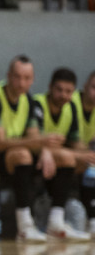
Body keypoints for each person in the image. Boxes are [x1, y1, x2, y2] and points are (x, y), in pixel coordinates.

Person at [0, 56, 63, 242]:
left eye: (27, 78)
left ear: (33, 80)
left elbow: (34, 137)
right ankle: (24, 225)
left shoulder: (29, 101)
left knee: (58, 159)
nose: (21, 83)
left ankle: (57, 221)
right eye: (17, 77)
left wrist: (46, 150)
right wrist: (42, 141)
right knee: (23, 155)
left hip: (5, 160)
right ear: (8, 76)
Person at [34, 68, 91, 240]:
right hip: (34, 155)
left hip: (55, 157)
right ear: (50, 87)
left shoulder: (71, 108)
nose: (63, 95)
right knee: (68, 157)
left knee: (85, 162)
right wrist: (46, 148)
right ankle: (53, 220)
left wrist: (87, 154)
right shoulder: (37, 104)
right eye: (59, 90)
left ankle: (88, 218)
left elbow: (76, 141)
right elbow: (31, 140)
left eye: (68, 91)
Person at [72, 70, 95, 236]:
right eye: (94, 87)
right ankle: (91, 218)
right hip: (68, 152)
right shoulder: (71, 102)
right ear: (85, 85)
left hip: (87, 153)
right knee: (88, 166)